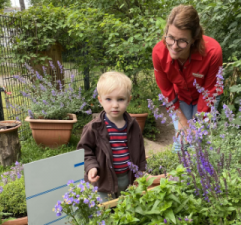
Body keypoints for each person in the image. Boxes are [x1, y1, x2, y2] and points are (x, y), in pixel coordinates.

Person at [152, 4, 223, 151]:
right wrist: (183, 122)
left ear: (194, 39)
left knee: (199, 143)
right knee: (181, 142)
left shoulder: (212, 51)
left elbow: (209, 91)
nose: (174, 46)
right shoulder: (158, 52)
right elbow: (166, 90)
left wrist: (196, 125)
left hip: (206, 97)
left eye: (182, 41)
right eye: (170, 37)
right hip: (180, 98)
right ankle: (175, 172)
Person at [77, 71, 146, 203]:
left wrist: (141, 170)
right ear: (100, 100)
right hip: (103, 180)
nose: (115, 105)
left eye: (120, 99)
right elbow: (84, 151)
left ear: (129, 100)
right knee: (106, 211)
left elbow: (140, 149)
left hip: (127, 177)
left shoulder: (133, 125)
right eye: (109, 99)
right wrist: (91, 167)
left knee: (126, 208)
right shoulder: (94, 127)